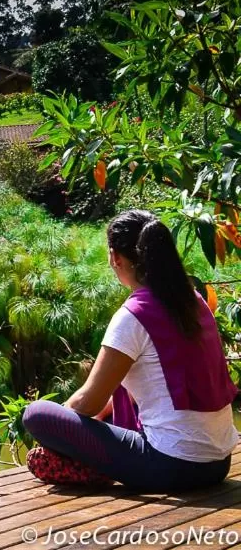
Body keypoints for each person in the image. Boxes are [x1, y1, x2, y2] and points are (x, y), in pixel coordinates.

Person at [21, 210, 239, 491]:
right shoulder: (194, 301)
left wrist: (62, 428)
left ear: (115, 257)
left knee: (37, 414)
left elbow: (88, 402)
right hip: (218, 463)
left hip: (171, 466)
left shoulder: (132, 315)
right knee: (111, 404)